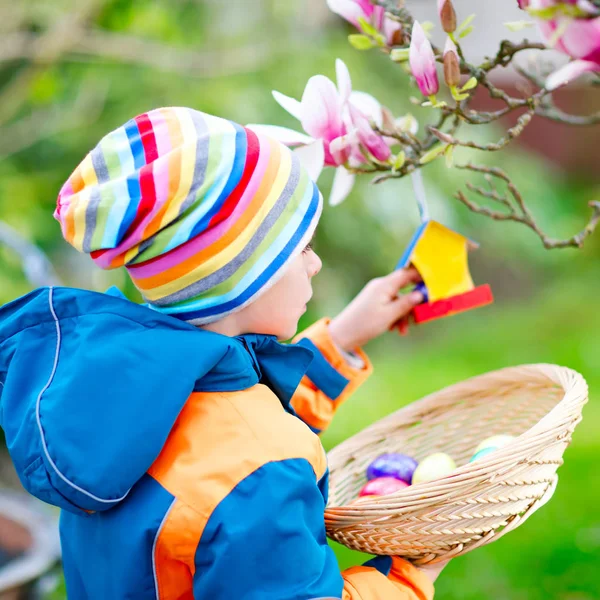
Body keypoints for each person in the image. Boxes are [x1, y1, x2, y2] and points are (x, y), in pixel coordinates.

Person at [0, 107, 448, 599]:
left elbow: (213, 442)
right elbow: (241, 456)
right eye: (301, 248)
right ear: (241, 279)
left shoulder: (110, 394)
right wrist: (411, 573)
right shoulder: (261, 472)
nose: (316, 264)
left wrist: (340, 341)